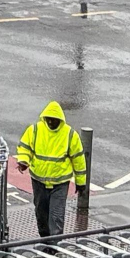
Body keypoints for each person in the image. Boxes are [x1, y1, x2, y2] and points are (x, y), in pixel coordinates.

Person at [17, 101, 87, 237]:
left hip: (60, 184)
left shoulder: (70, 134)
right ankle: (45, 240)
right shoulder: (35, 130)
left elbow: (78, 159)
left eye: (53, 120)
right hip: (39, 181)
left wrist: (81, 182)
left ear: (60, 120)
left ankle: (55, 244)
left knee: (56, 217)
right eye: (48, 119)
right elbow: (25, 147)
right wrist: (23, 161)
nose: (50, 122)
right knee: (41, 214)